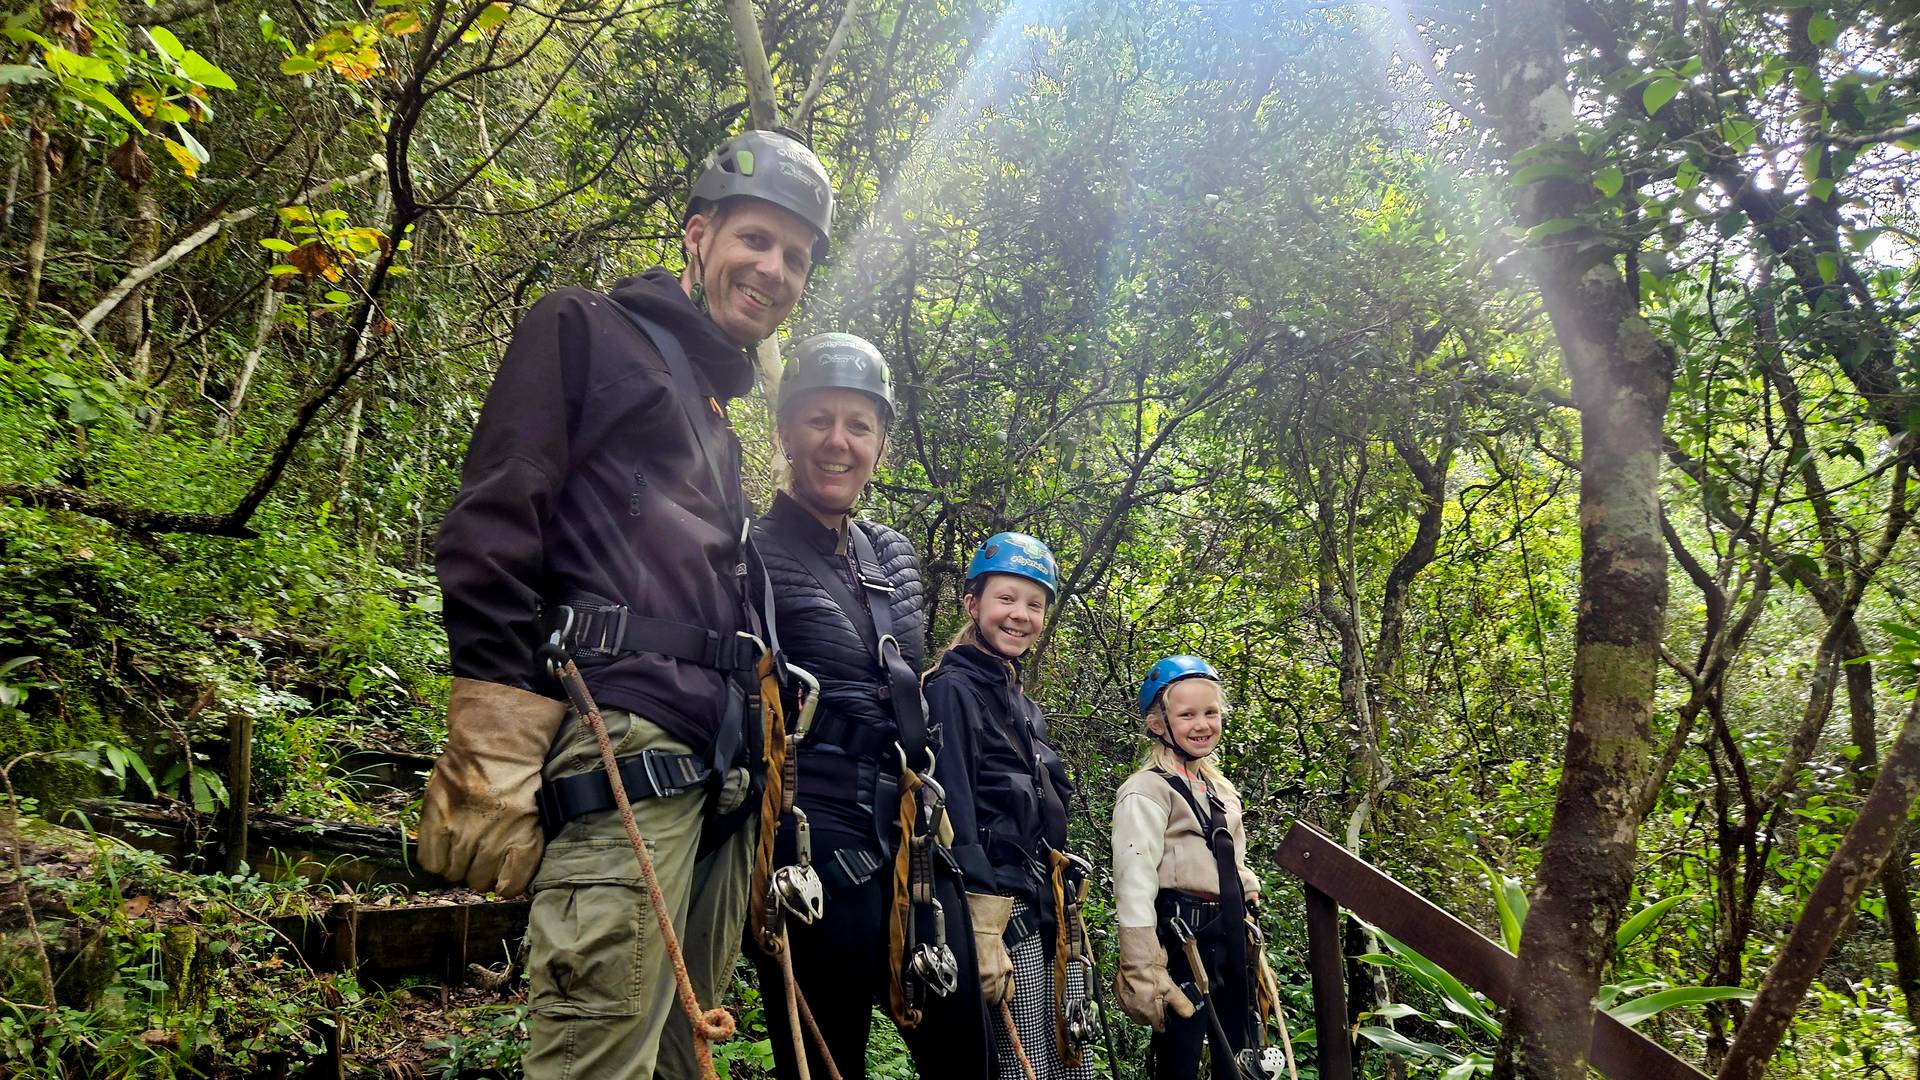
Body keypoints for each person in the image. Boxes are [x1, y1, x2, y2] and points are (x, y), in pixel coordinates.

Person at [417, 127, 834, 1079]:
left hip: (723, 778)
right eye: (755, 240)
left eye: (796, 258)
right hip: (626, 753)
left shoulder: (720, 422)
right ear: (698, 234)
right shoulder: (585, 329)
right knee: (598, 1060)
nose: (772, 270)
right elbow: (492, 526)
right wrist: (494, 736)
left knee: (687, 1061)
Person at [747, 332, 989, 1079]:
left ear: (881, 442)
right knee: (823, 1062)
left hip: (914, 837)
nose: (838, 442)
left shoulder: (893, 554)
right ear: (786, 431)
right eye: (819, 420)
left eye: (859, 425)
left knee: (966, 1055)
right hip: (815, 843)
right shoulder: (748, 551)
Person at [927, 533, 1094, 1080]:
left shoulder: (1023, 705)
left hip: (1045, 904)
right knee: (1025, 1067)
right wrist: (979, 923)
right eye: (1006, 599)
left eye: (1034, 604)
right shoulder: (952, 689)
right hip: (999, 908)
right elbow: (952, 805)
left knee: (1070, 1054)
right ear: (973, 605)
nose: (1020, 615)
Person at [1111, 655, 1264, 1080]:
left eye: (1210, 712)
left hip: (1230, 936)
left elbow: (1231, 858)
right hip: (1183, 941)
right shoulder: (1146, 790)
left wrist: (1245, 884)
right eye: (1187, 714)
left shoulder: (1220, 789)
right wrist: (1141, 963)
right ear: (1158, 723)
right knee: (1178, 1056)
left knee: (1238, 1054)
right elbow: (1134, 878)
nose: (1202, 724)